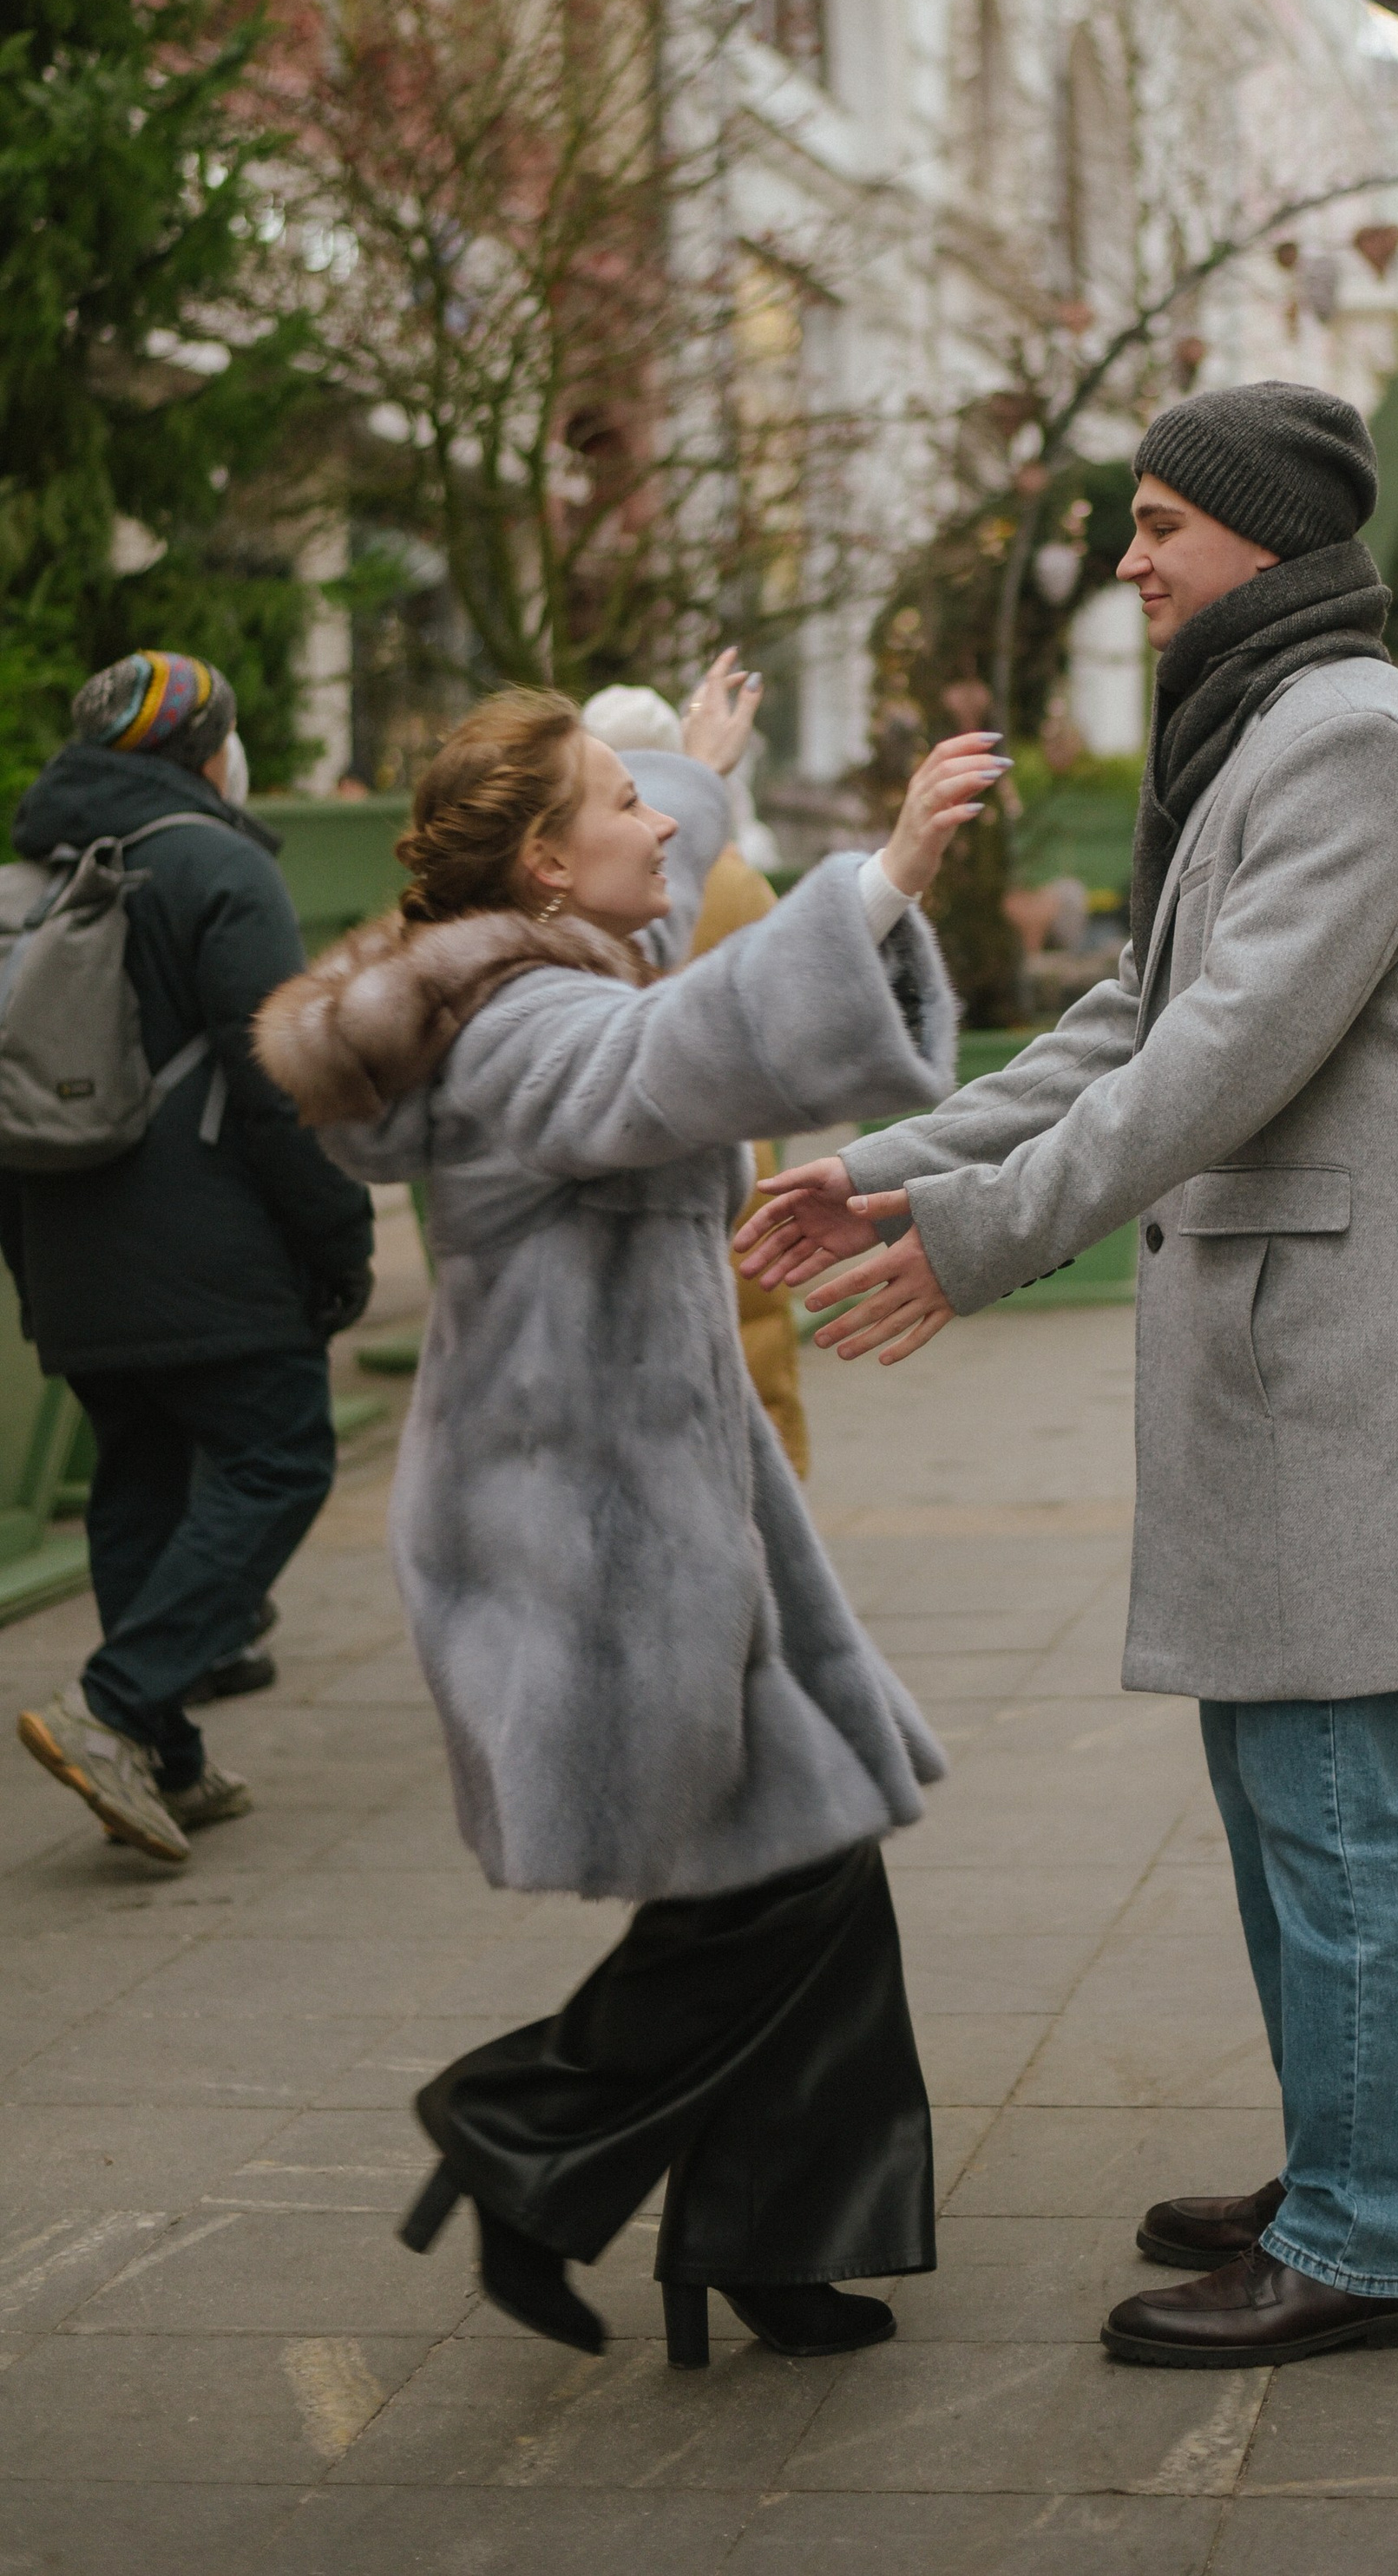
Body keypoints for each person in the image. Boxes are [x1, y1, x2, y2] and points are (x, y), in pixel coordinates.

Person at [743, 381, 1398, 2371]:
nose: (1128, 555)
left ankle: (1371, 2233)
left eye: (1157, 522)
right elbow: (1123, 1018)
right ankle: (1349, 2158)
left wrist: (970, 1245)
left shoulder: (1351, 740)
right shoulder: (1264, 734)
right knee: (1278, 1787)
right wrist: (889, 1164)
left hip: (1337, 1366)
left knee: (1328, 1796)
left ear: (1262, 534)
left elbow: (1215, 1064)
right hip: (1280, 1365)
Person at [252, 678, 1000, 2366]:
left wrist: (691, 770)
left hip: (646, 1502)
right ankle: (521, 2134)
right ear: (538, 859)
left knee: (803, 1861)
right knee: (779, 1879)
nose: (662, 825)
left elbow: (634, 908)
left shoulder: (522, 960)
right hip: (588, 1537)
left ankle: (767, 2247)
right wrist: (872, 884)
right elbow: (666, 1057)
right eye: (623, 803)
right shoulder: (523, 1022)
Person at [10, 653, 375, 1865]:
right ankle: (114, 1706)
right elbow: (284, 1075)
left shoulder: (34, 868)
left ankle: (161, 1758)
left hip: (69, 1240)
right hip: (205, 1244)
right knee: (279, 1455)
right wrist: (337, 1234)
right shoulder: (218, 863)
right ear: (207, 748)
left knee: (142, 1474)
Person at [580, 674, 811, 1475]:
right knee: (751, 1354)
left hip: (654, 1159)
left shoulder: (578, 890)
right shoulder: (731, 877)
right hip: (737, 1151)